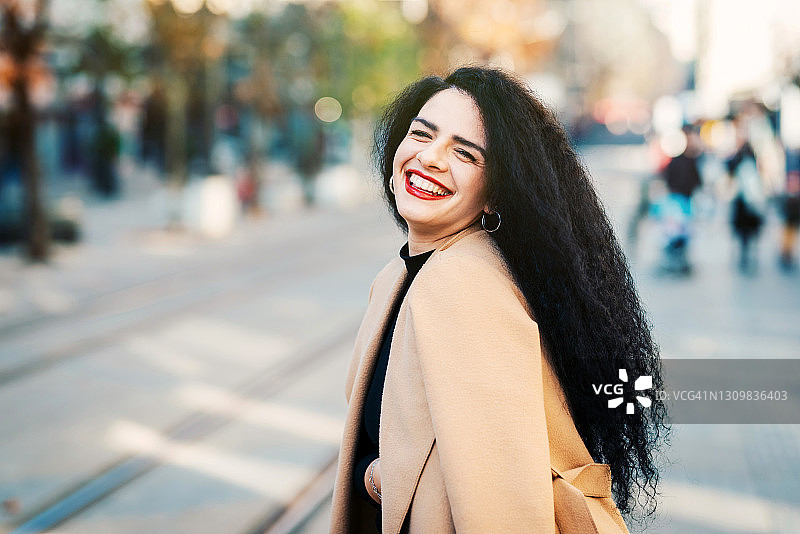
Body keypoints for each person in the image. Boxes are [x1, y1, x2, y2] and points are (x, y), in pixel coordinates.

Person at [330, 67, 667, 533]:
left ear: (493, 197)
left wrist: (379, 478)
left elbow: (504, 503)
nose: (429, 157)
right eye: (421, 134)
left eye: (464, 154)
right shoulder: (401, 275)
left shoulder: (463, 283)